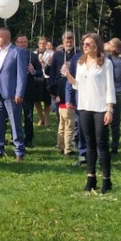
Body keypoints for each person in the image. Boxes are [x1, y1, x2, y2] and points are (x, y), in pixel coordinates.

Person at [64, 33, 115, 193]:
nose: (85, 46)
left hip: (100, 108)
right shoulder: (80, 62)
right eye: (84, 44)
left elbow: (110, 88)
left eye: (88, 44)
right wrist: (68, 75)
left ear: (96, 45)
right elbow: (78, 85)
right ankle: (90, 178)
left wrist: (109, 109)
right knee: (89, 144)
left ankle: (107, 180)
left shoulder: (105, 63)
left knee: (102, 144)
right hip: (84, 107)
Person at [0, 28, 28, 161]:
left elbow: (22, 75)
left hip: (11, 93)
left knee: (15, 123)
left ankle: (19, 151)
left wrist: (19, 93)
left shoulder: (17, 52)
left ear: (7, 38)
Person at [49, 31, 83, 160]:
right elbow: (52, 75)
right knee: (61, 119)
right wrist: (53, 92)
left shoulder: (78, 54)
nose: (68, 43)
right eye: (66, 41)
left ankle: (74, 141)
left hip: (74, 89)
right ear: (63, 42)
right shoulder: (57, 55)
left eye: (70, 41)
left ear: (73, 41)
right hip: (60, 89)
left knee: (73, 119)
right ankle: (61, 144)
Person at [16, 34, 41, 148]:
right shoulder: (12, 55)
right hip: (14, 90)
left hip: (28, 90)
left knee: (28, 116)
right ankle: (15, 137)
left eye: (24, 42)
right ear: (16, 43)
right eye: (20, 42)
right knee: (15, 116)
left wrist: (33, 71)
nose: (22, 44)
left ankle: (28, 139)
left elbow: (40, 72)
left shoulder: (33, 56)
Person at [106, 38, 121, 154]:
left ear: (113, 48)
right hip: (109, 93)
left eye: (109, 43)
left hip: (115, 94)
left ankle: (114, 146)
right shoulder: (107, 59)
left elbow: (115, 79)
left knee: (115, 123)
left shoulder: (116, 62)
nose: (106, 44)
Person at [34, 37, 52, 128]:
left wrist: (44, 62)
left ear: (46, 44)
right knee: (37, 100)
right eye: (40, 43)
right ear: (38, 44)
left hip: (47, 78)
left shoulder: (51, 53)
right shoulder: (33, 54)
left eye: (44, 43)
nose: (42, 45)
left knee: (47, 100)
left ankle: (47, 118)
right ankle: (41, 118)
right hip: (37, 79)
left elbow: (51, 65)